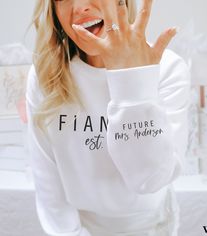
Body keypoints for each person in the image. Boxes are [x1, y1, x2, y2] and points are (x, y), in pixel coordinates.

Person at [25, 0, 190, 235]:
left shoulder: (166, 67)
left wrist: (130, 78)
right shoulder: (45, 74)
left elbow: (149, 180)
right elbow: (47, 182)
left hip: (152, 227)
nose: (80, 7)